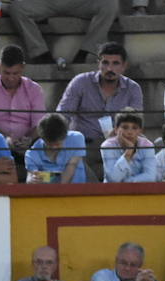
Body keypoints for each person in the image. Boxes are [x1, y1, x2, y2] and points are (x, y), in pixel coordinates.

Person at [56, 42, 142, 181]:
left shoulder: (133, 88)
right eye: (105, 63)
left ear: (124, 66)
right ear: (98, 63)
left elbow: (136, 122)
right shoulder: (81, 82)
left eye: (115, 63)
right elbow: (63, 115)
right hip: (85, 145)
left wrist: (121, 135)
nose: (109, 68)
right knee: (72, 159)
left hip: (118, 144)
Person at [0, 45, 43, 169]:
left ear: (23, 68)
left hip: (29, 146)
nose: (11, 78)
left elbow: (39, 124)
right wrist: (6, 140)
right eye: (6, 73)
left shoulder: (34, 89)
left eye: (15, 73)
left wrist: (29, 140)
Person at [7, 0, 118, 67]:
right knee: (17, 8)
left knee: (109, 3)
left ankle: (85, 52)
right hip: (45, 2)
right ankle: (40, 54)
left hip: (80, 3)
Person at [88, 242, 165, 281]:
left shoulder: (143, 279)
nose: (127, 268)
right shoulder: (102, 275)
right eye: (123, 263)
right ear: (116, 261)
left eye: (133, 265)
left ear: (140, 265)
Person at [25, 112, 85, 183]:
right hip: (48, 192)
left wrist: (61, 190)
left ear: (65, 136)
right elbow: (30, 177)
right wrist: (32, 180)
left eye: (57, 144)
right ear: (43, 138)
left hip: (77, 190)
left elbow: (71, 167)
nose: (54, 147)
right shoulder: (32, 154)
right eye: (49, 144)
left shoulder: (77, 138)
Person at [100, 109, 156, 183]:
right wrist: (128, 153)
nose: (130, 132)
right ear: (116, 130)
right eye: (125, 127)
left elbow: (150, 176)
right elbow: (112, 179)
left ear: (140, 131)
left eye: (134, 128)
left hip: (140, 191)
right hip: (112, 192)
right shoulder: (107, 146)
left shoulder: (147, 145)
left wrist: (127, 183)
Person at [9, 245, 81, 281]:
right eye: (39, 262)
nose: (44, 266)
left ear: (55, 266)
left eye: (49, 262)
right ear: (33, 264)